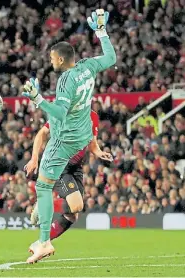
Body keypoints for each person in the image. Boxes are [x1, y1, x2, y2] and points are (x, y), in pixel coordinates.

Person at [22, 9, 116, 263]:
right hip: (82, 135)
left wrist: (37, 99)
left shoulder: (66, 80)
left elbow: (60, 114)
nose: (51, 61)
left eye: (52, 58)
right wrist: (101, 32)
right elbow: (110, 57)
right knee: (65, 200)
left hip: (65, 140)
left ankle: (43, 242)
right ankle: (44, 233)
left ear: (61, 60)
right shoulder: (87, 67)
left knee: (42, 187)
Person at [24, 110, 112, 254]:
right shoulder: (63, 112)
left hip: (76, 167)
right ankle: (45, 202)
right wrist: (34, 159)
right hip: (60, 163)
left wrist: (99, 153)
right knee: (76, 204)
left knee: (72, 215)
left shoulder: (93, 116)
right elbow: (42, 133)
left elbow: (93, 144)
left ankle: (41, 242)